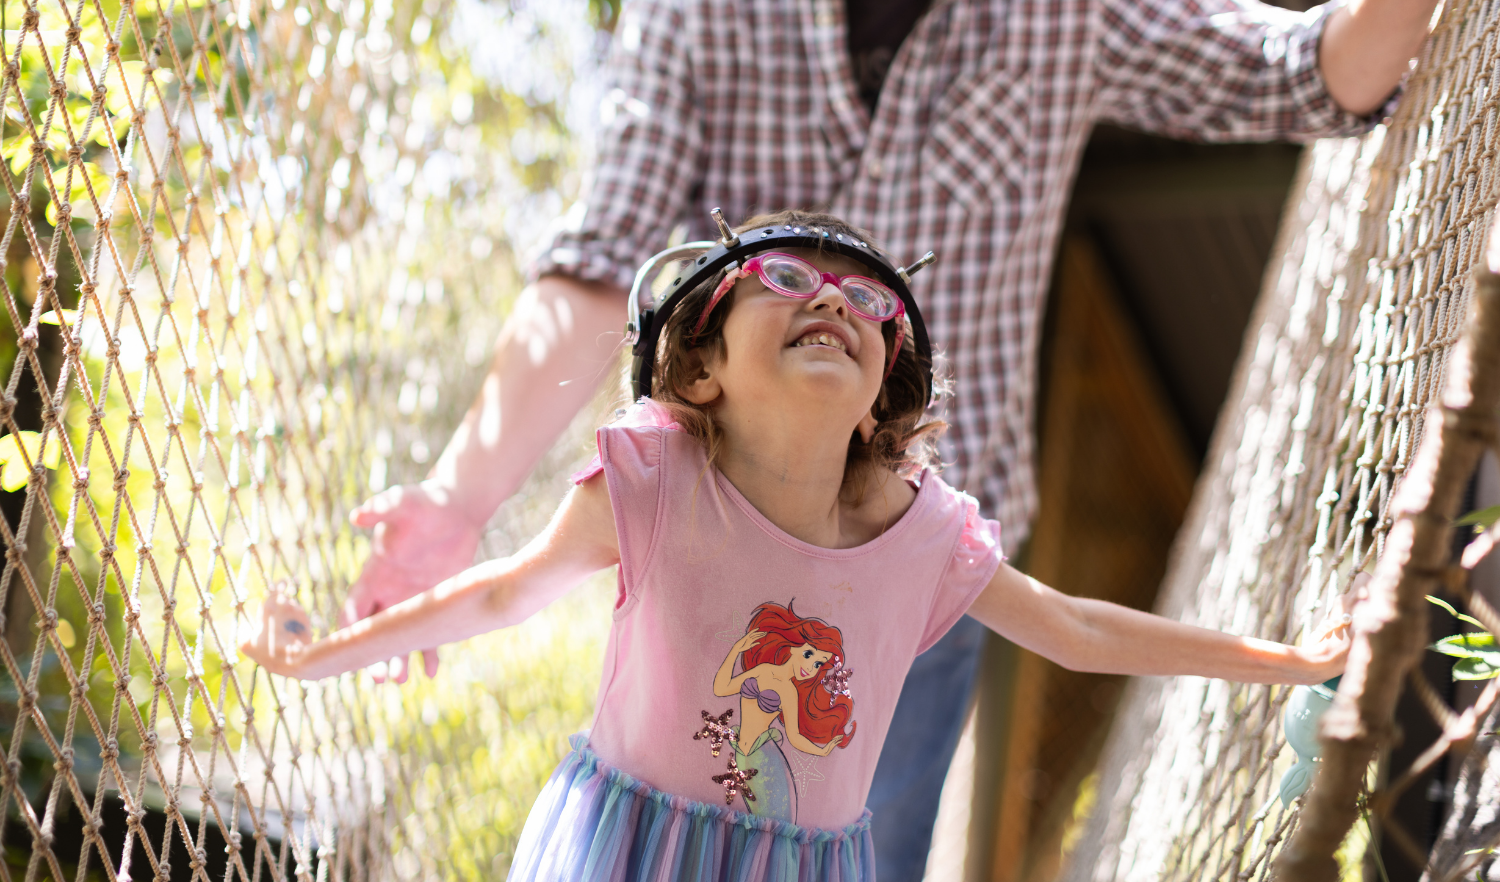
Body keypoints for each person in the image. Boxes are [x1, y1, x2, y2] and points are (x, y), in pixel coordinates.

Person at [340, 0, 1491, 874]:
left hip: (918, 584)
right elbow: (596, 270)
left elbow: (1318, 74)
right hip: (716, 566)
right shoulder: (700, 0)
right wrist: (457, 499)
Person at [244, 212, 1360, 882]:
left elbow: (1073, 629)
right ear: (700, 367)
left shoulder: (922, 534)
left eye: (865, 299)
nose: (831, 297)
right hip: (623, 846)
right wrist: (322, 653)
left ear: (883, 396)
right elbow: (498, 597)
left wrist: (1291, 661)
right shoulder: (653, 482)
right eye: (783, 281)